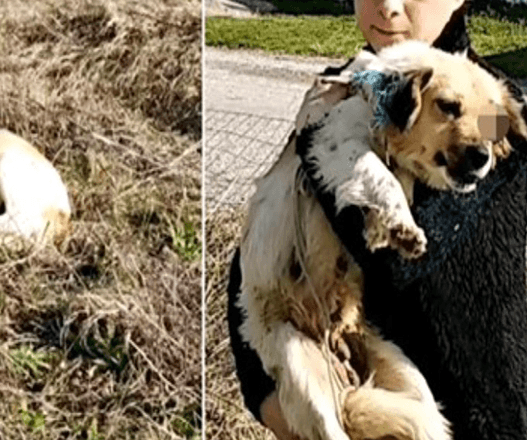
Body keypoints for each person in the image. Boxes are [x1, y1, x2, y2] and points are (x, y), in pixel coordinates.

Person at [226, 0, 527, 438]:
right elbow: (255, 273)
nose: (387, 7)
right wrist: (279, 403)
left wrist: (326, 138)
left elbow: (403, 256)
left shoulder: (489, 102)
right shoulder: (340, 90)